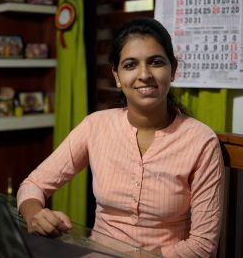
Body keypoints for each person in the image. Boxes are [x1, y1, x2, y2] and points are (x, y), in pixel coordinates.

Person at [17, 17, 224, 257]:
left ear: (173, 69)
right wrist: (35, 214)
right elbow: (33, 185)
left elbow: (202, 245)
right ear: (116, 75)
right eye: (130, 65)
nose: (144, 74)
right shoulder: (97, 125)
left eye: (156, 62)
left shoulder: (200, 141)